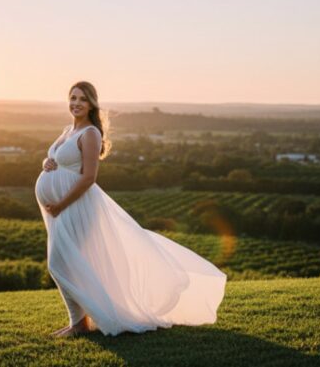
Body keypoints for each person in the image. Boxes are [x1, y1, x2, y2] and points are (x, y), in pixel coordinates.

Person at [34, 81, 227, 337]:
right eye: (72, 98)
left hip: (76, 206)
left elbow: (89, 177)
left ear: (92, 104)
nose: (76, 103)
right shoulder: (68, 130)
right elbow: (58, 160)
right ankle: (79, 322)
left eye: (82, 99)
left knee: (59, 263)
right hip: (59, 209)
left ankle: (79, 324)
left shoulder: (90, 133)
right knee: (69, 262)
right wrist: (47, 162)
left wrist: (60, 204)